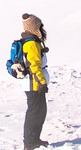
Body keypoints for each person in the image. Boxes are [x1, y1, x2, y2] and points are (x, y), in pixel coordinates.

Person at [18, 13, 50, 150]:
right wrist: (42, 83)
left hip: (33, 83)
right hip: (34, 84)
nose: (42, 28)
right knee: (35, 111)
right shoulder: (31, 44)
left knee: (39, 111)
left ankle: (34, 139)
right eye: (39, 25)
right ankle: (30, 142)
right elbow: (34, 65)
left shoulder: (31, 41)